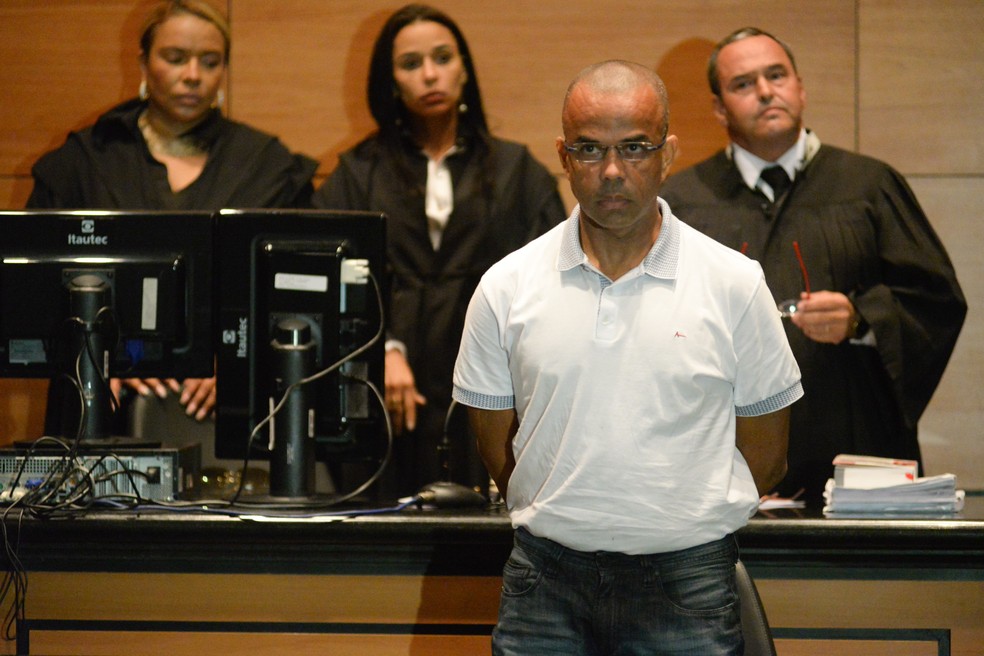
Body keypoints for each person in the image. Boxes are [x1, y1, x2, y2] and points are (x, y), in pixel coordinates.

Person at [453, 60, 802, 655]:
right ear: (563, 157)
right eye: (589, 150)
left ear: (668, 155)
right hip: (544, 584)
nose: (612, 171)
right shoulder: (504, 286)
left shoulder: (735, 283)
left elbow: (766, 454)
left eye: (634, 148)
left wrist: (673, 517)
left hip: (688, 583)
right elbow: (496, 447)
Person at [660, 27, 967, 506]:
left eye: (776, 75)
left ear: (800, 87)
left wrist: (862, 319)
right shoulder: (681, 203)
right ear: (719, 108)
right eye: (743, 84)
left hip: (859, 460)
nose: (765, 91)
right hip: (724, 468)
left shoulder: (870, 185)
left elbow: (936, 302)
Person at [27, 0, 318, 429]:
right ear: (144, 62)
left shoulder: (268, 165)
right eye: (175, 58)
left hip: (232, 410)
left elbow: (301, 292)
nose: (193, 76)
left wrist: (241, 361)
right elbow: (32, 287)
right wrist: (98, 358)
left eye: (210, 61)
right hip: (98, 402)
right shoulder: (85, 161)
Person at [313, 4, 565, 497]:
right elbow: (326, 278)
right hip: (383, 396)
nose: (429, 74)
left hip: (491, 391)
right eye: (410, 64)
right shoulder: (357, 172)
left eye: (442, 57)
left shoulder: (517, 171)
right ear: (390, 81)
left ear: (464, 69)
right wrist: (380, 349)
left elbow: (554, 282)